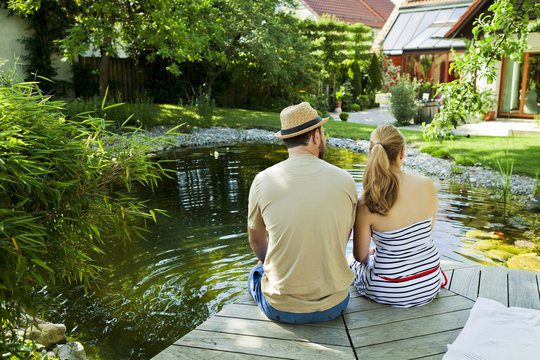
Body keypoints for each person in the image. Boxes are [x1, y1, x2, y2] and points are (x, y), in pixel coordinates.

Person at [247, 102, 357, 323]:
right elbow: (341, 240)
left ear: (286, 140)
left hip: (281, 308)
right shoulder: (346, 180)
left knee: (255, 272)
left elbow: (257, 242)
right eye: (322, 133)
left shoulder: (262, 181)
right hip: (335, 304)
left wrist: (268, 262)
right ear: (316, 136)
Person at [349, 124, 446, 307]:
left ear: (372, 154)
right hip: (429, 282)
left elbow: (360, 257)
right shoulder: (427, 185)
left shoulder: (367, 201)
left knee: (350, 262)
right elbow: (424, 234)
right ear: (402, 153)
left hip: (390, 290)